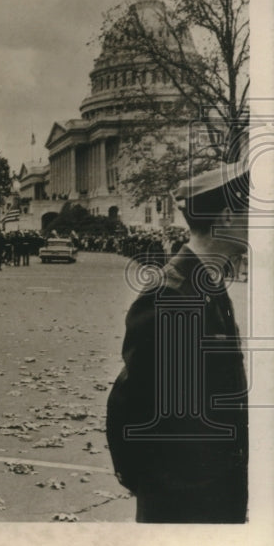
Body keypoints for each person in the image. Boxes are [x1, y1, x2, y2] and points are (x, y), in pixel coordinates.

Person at [106, 162, 250, 523]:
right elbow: (131, 405)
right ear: (229, 217)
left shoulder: (205, 283)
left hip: (215, 492)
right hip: (185, 502)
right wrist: (155, 488)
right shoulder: (174, 295)